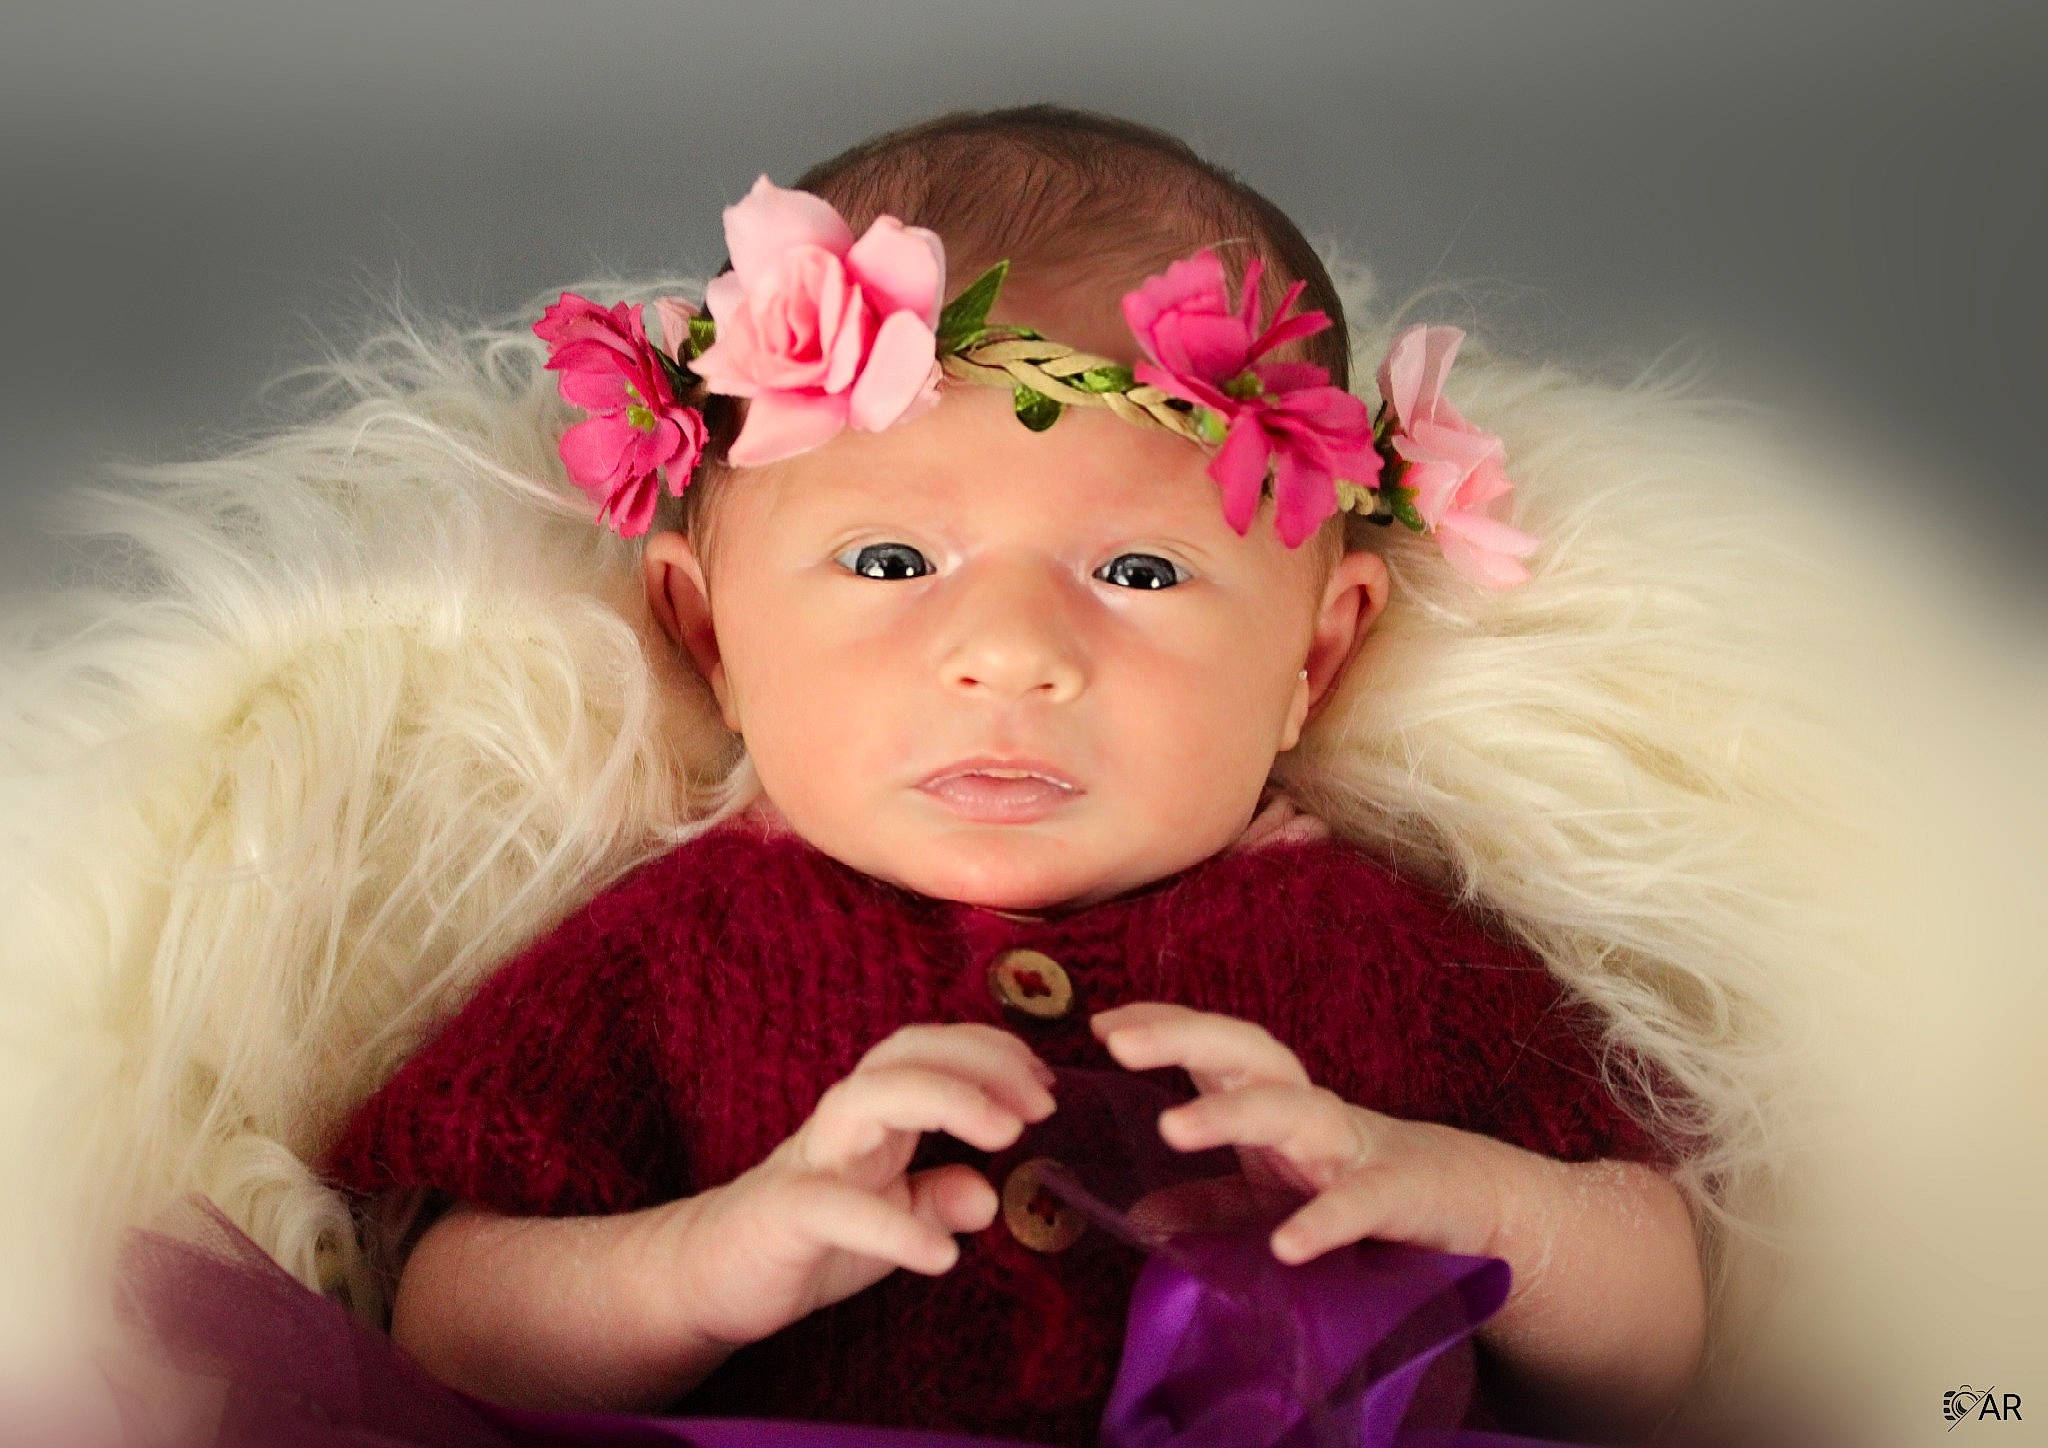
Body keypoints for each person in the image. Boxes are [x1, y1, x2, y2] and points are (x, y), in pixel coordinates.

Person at [314, 105, 1708, 1448]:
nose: (1012, 655)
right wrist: (705, 1263)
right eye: (891, 562)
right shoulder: (677, 954)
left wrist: (1459, 1201)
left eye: (1142, 571)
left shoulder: (1373, 950)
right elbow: (444, 1329)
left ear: (1316, 659)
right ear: (706, 632)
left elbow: (1654, 1346)